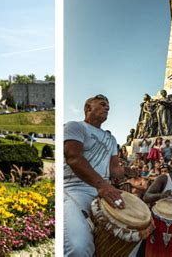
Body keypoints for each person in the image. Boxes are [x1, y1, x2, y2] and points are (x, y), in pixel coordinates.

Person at [64, 94, 125, 256]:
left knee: (132, 235)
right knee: (79, 247)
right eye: (102, 104)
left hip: (103, 192)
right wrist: (102, 185)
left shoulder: (111, 139)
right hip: (74, 189)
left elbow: (115, 170)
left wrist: (129, 172)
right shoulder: (74, 127)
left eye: (108, 106)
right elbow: (73, 158)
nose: (107, 108)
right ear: (88, 108)